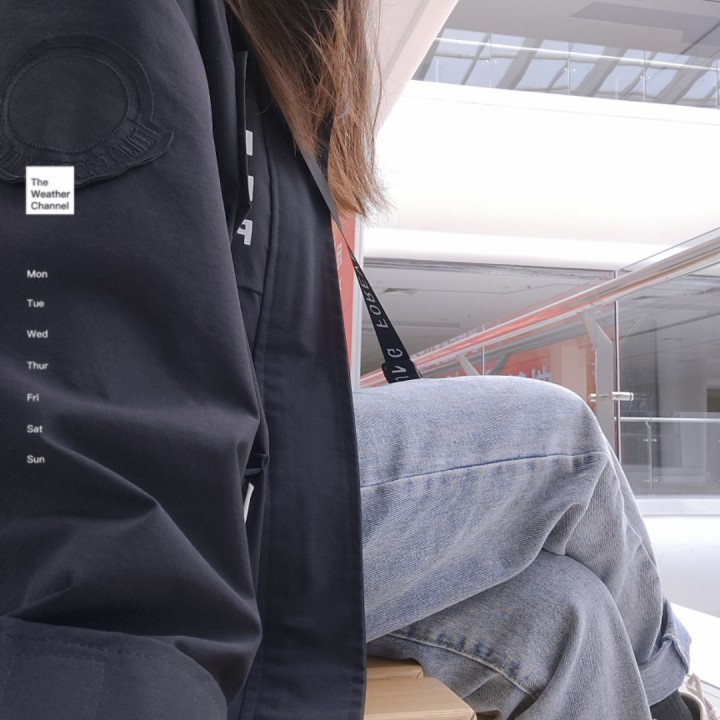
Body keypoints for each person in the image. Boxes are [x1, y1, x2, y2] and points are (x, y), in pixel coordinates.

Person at [0, 1, 715, 719]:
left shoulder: (238, 52)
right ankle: (667, 702)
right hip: (173, 517)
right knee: (560, 440)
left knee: (566, 614)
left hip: (227, 482)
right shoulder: (119, 26)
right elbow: (79, 356)